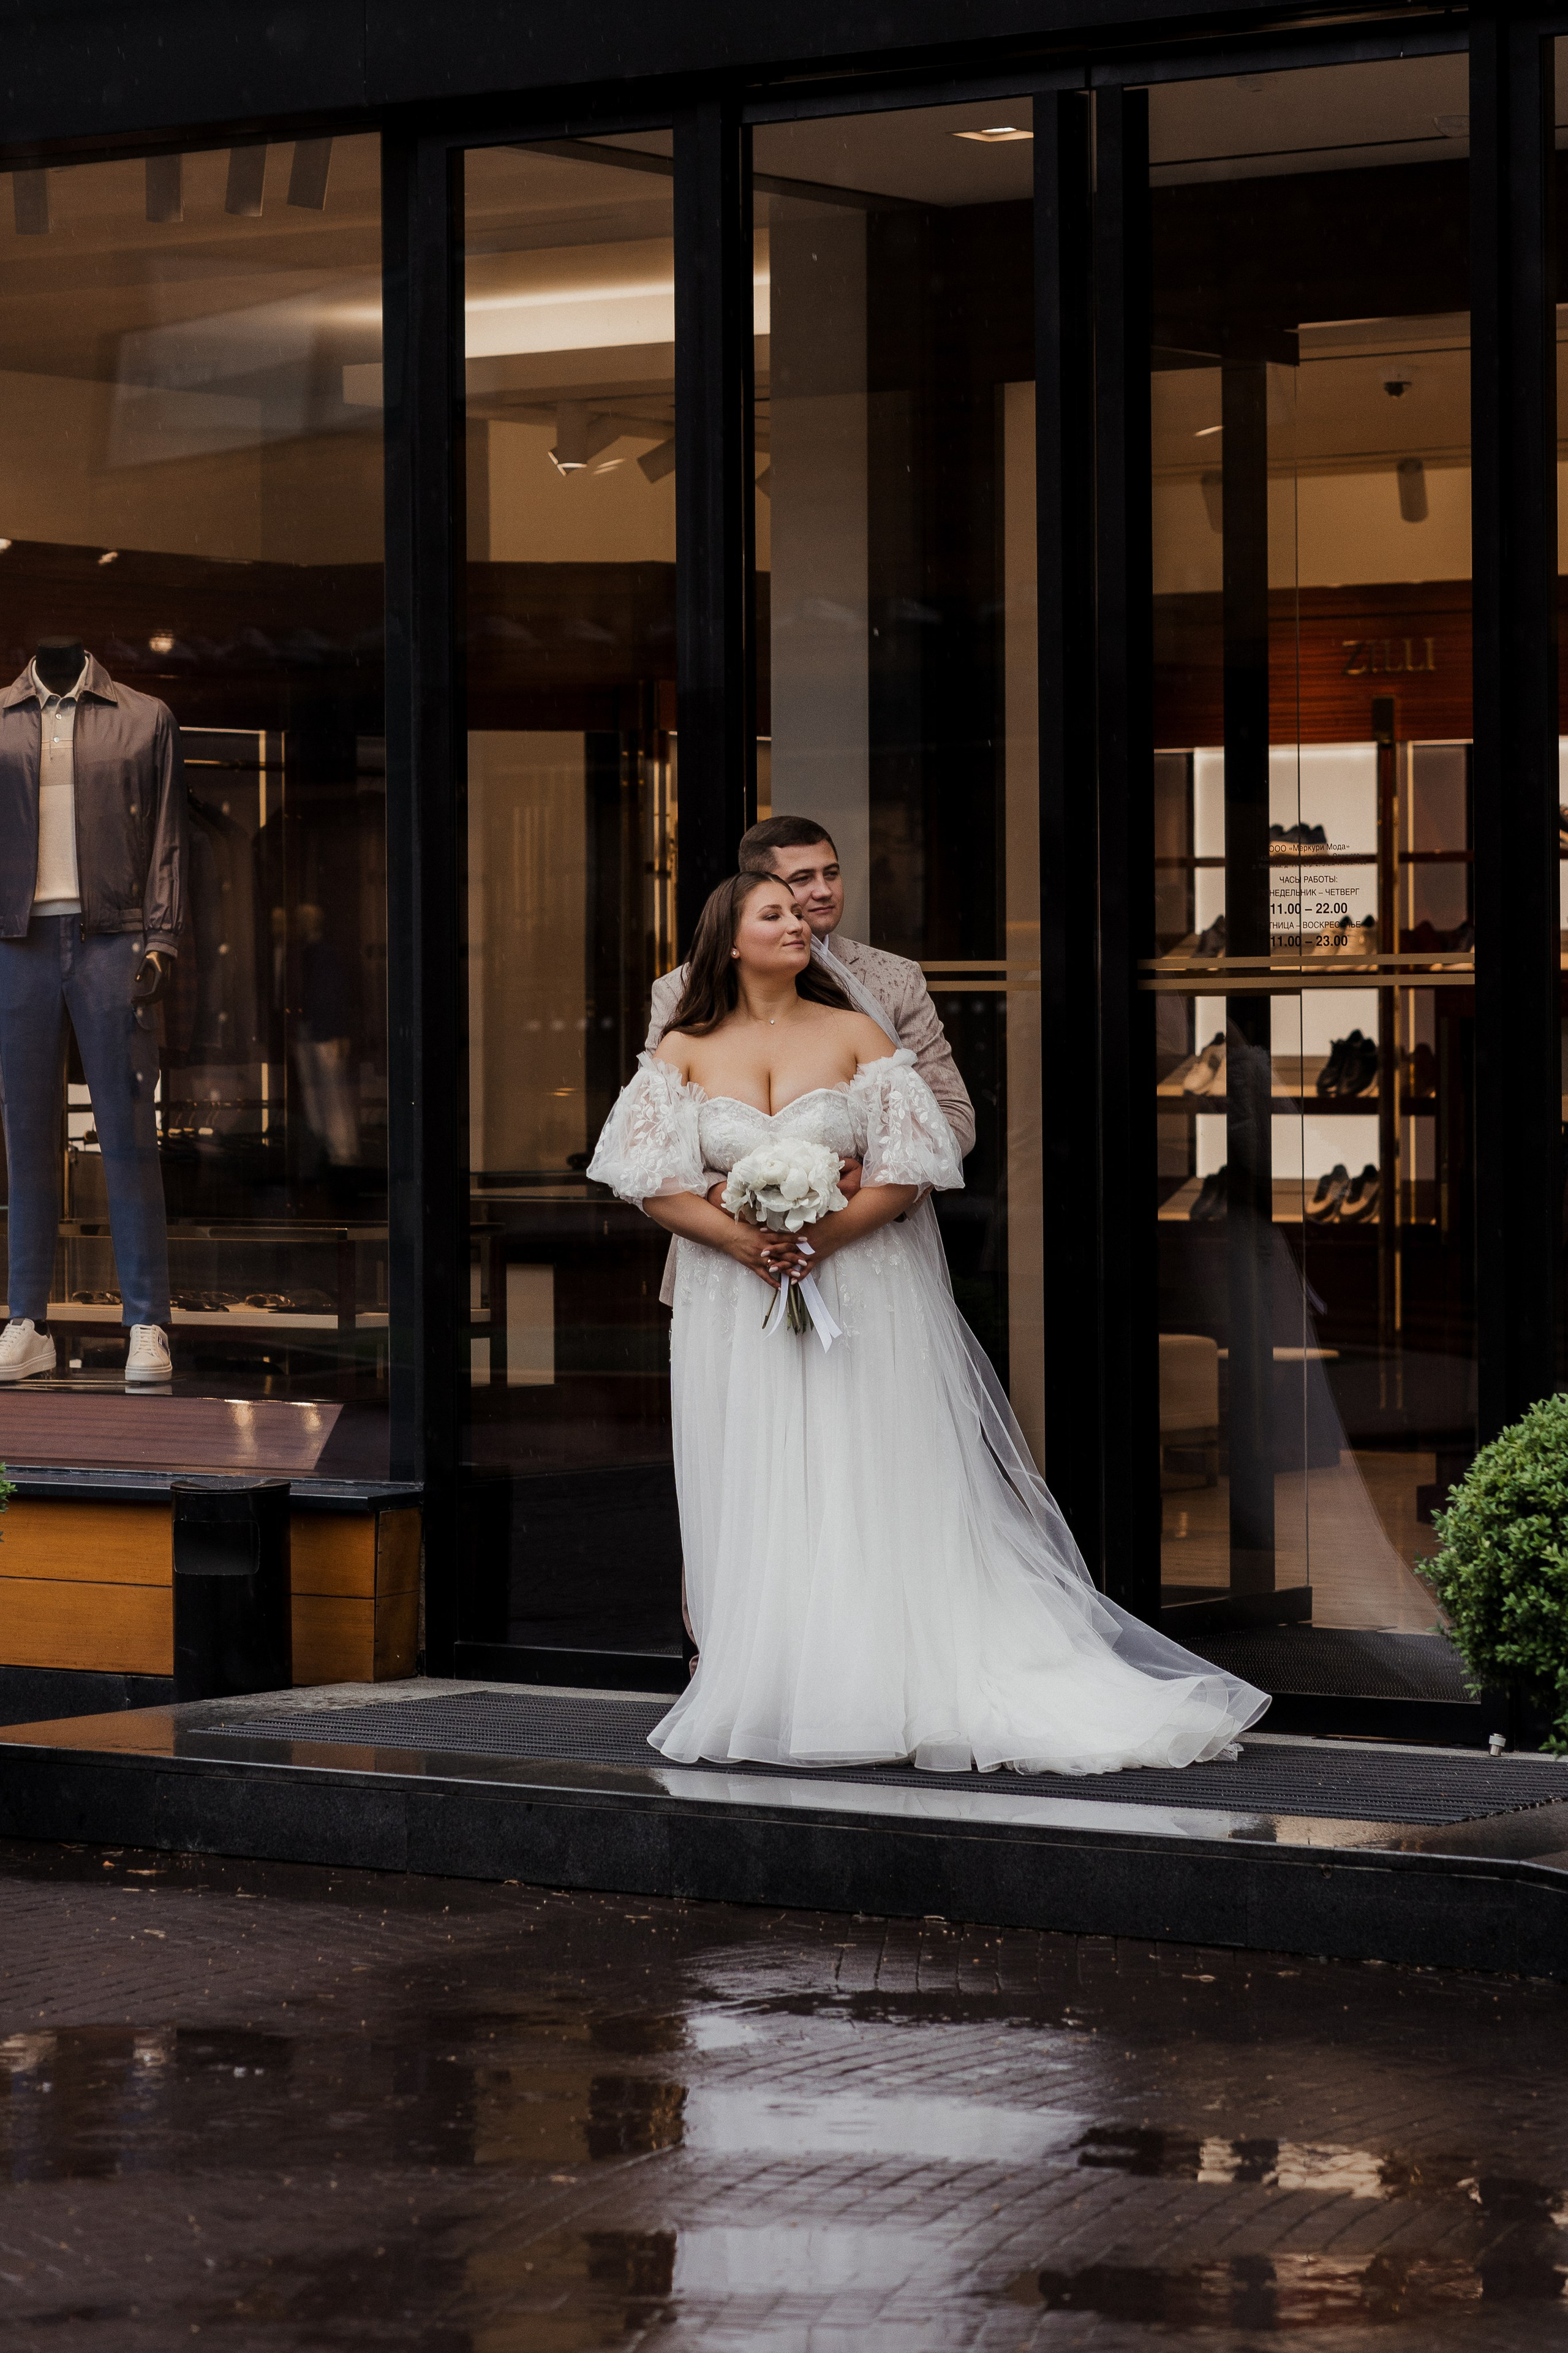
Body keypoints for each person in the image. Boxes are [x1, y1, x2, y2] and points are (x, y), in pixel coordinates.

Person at [589, 869, 1268, 1775]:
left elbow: (911, 1166)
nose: (801, 921)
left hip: (862, 1288)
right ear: (730, 938)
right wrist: (747, 1244)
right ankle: (783, 1682)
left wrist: (820, 1237)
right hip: (733, 1301)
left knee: (868, 1471)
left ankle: (898, 1676)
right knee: (760, 1477)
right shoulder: (681, 1047)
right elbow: (652, 1182)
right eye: (777, 913)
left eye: (802, 910)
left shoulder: (857, 1031)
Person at [646, 814, 973, 1305]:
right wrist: (733, 1195)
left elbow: (953, 1114)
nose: (822, 891)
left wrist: (878, 1177)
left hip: (865, 1250)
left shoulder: (895, 979)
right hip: (731, 1261)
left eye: (832, 873)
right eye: (802, 880)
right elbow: (659, 1143)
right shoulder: (680, 989)